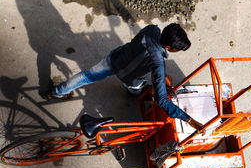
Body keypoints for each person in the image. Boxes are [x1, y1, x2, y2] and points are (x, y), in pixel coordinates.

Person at [45, 23, 203, 131]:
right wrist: (188, 119)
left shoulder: (152, 30)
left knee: (86, 76)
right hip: (131, 80)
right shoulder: (158, 64)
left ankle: (56, 92)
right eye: (177, 49)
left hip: (115, 60)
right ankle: (133, 92)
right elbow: (161, 100)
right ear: (169, 47)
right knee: (135, 89)